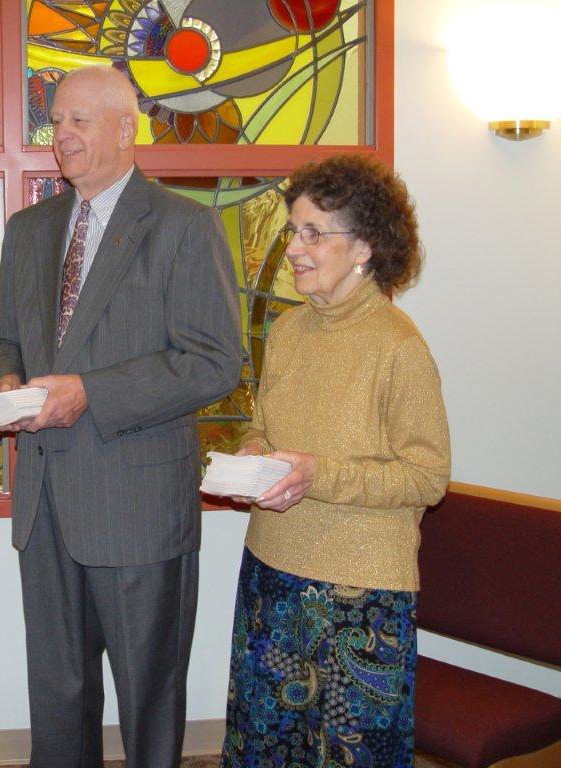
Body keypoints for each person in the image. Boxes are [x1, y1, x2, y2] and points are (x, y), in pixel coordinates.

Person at [0, 66, 242, 767]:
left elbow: (215, 361)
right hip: (44, 503)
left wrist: (90, 391)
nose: (60, 135)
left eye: (77, 121)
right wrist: (3, 376)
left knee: (148, 695)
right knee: (58, 695)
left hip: (137, 499)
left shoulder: (185, 225)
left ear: (127, 129)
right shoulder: (29, 230)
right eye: (56, 121)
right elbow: (4, 336)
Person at [220, 154, 451, 768]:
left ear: (365, 248)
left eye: (314, 233)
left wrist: (318, 475)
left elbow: (427, 477)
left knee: (351, 754)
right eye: (292, 230)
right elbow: (265, 427)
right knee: (264, 746)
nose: (294, 247)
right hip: (271, 570)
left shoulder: (399, 347)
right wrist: (252, 458)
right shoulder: (290, 331)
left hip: (361, 593)